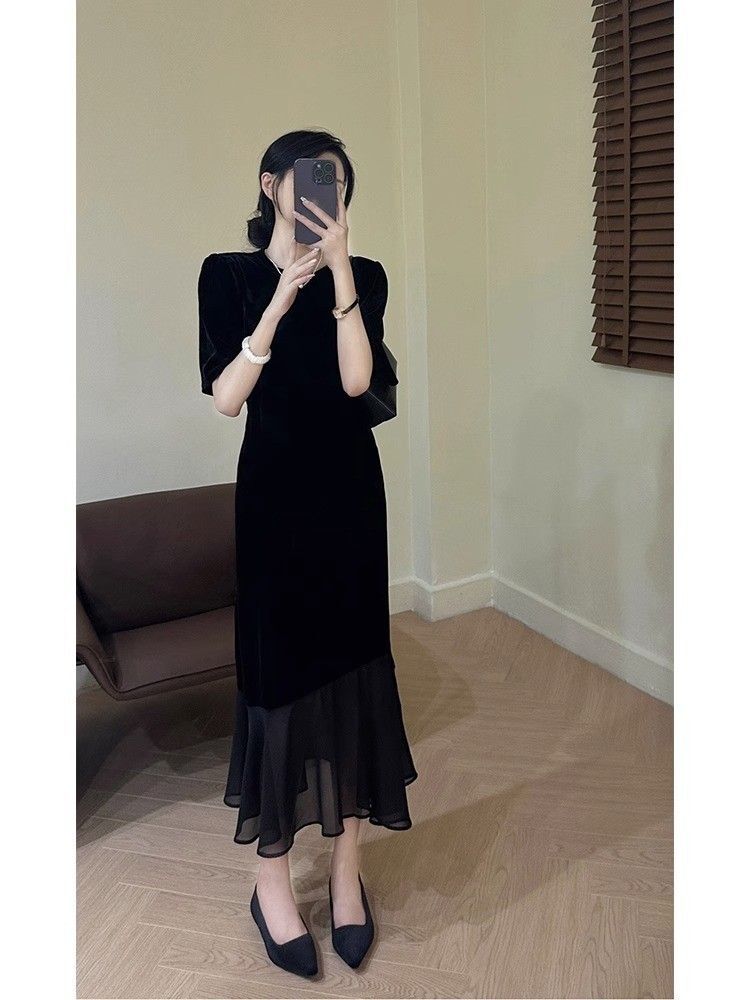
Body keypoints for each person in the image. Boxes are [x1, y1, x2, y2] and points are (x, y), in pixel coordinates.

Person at [197, 130, 418, 978]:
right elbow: (226, 397)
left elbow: (359, 383)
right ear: (270, 185)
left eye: (339, 184)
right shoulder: (228, 275)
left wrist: (339, 273)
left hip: (351, 501)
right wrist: (279, 299)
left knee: (357, 675)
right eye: (312, 178)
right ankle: (272, 882)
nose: (328, 193)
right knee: (279, 683)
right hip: (274, 504)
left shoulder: (366, 276)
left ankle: (350, 870)